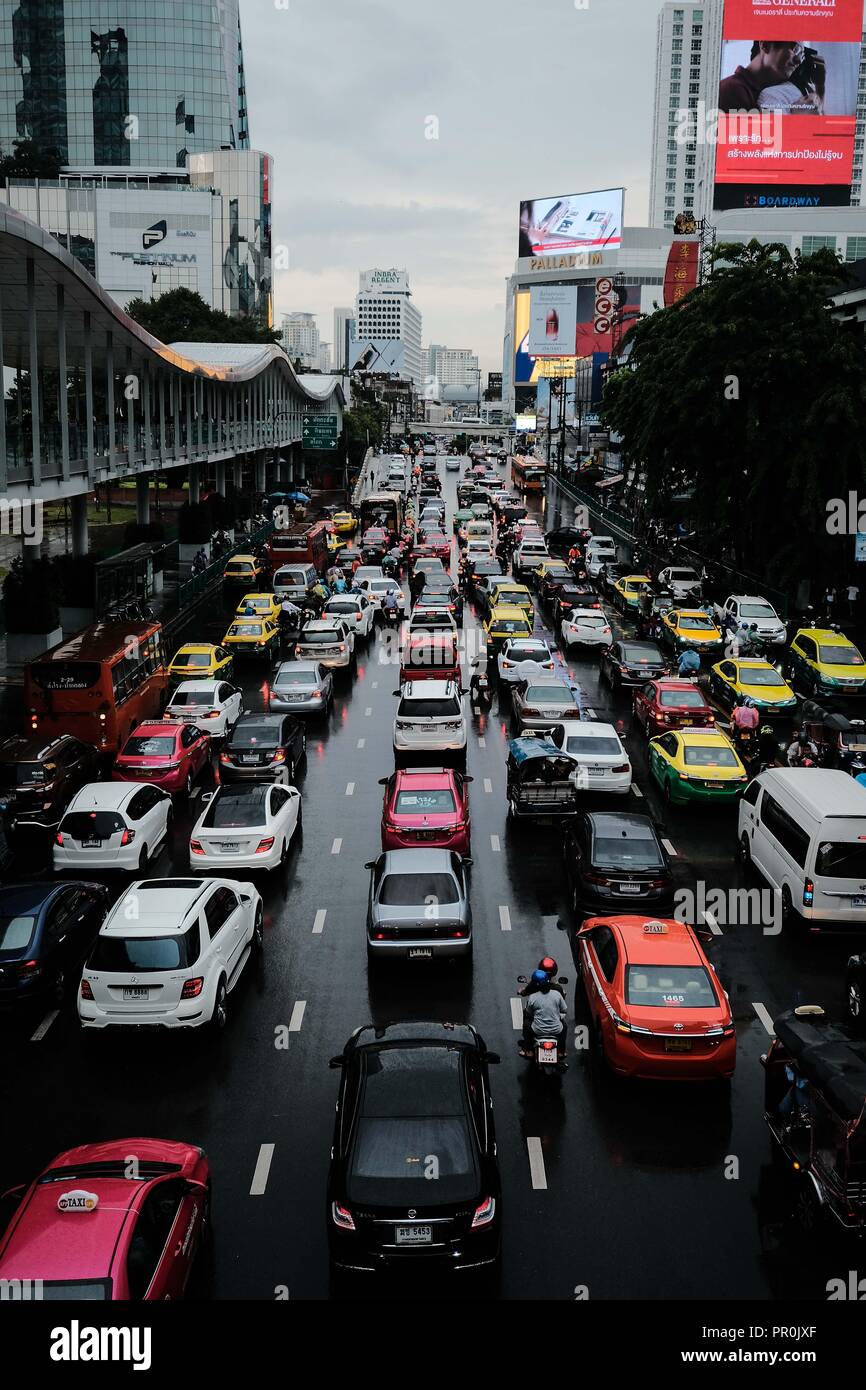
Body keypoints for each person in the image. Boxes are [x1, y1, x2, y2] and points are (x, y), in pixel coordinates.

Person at [519, 971, 568, 1069]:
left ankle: (528, 1051)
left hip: (538, 1030)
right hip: (556, 1030)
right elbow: (564, 1010)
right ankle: (562, 1052)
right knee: (565, 1026)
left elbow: (528, 1013)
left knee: (526, 1024)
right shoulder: (557, 994)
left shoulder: (533, 997)